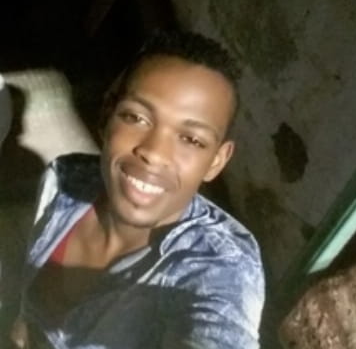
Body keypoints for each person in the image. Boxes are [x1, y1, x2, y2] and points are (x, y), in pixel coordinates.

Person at [11, 30, 266, 349]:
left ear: (216, 160)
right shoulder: (66, 180)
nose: (155, 153)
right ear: (107, 114)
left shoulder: (220, 265)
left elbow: (220, 331)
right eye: (136, 117)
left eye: (191, 139)